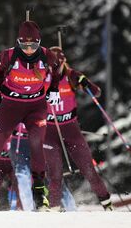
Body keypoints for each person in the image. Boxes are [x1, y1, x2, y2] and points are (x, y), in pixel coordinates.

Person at [0, 20, 61, 211]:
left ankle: (40, 197)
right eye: (25, 45)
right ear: (18, 42)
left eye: (34, 45)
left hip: (36, 107)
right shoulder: (7, 56)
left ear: (39, 43)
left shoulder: (47, 55)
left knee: (36, 146)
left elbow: (57, 70)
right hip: (10, 107)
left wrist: (54, 89)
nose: (29, 49)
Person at [44, 46, 112, 211]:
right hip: (49, 132)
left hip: (71, 129)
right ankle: (54, 209)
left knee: (89, 170)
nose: (53, 69)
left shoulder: (71, 76)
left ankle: (108, 205)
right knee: (55, 174)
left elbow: (96, 92)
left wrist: (86, 83)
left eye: (57, 65)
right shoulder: (40, 77)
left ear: (63, 62)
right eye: (50, 65)